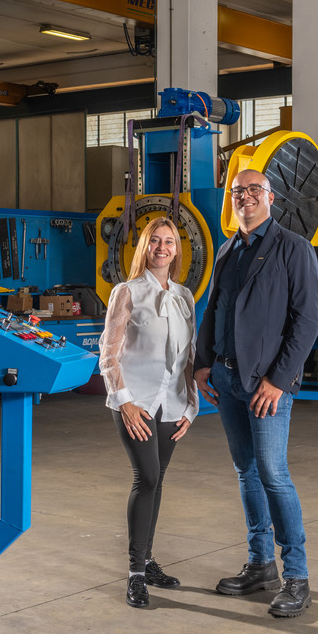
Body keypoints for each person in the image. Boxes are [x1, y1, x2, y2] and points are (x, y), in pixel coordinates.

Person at [194, 168, 318, 618]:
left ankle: (297, 577)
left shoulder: (293, 248)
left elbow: (307, 320)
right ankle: (260, 564)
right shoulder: (228, 249)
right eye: (238, 191)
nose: (245, 197)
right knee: (247, 472)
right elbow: (214, 309)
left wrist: (279, 380)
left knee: (273, 473)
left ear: (270, 197)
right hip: (226, 378)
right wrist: (203, 363)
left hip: (267, 384)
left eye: (254, 190)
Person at [98, 217, 199, 609]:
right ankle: (136, 574)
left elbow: (189, 357)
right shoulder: (127, 292)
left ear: (177, 250)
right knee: (148, 477)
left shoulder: (185, 297)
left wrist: (191, 406)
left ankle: (149, 561)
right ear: (144, 247)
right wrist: (124, 402)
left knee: (158, 481)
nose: (162, 247)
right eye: (155, 240)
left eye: (169, 242)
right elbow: (109, 353)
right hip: (135, 402)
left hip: (173, 403)